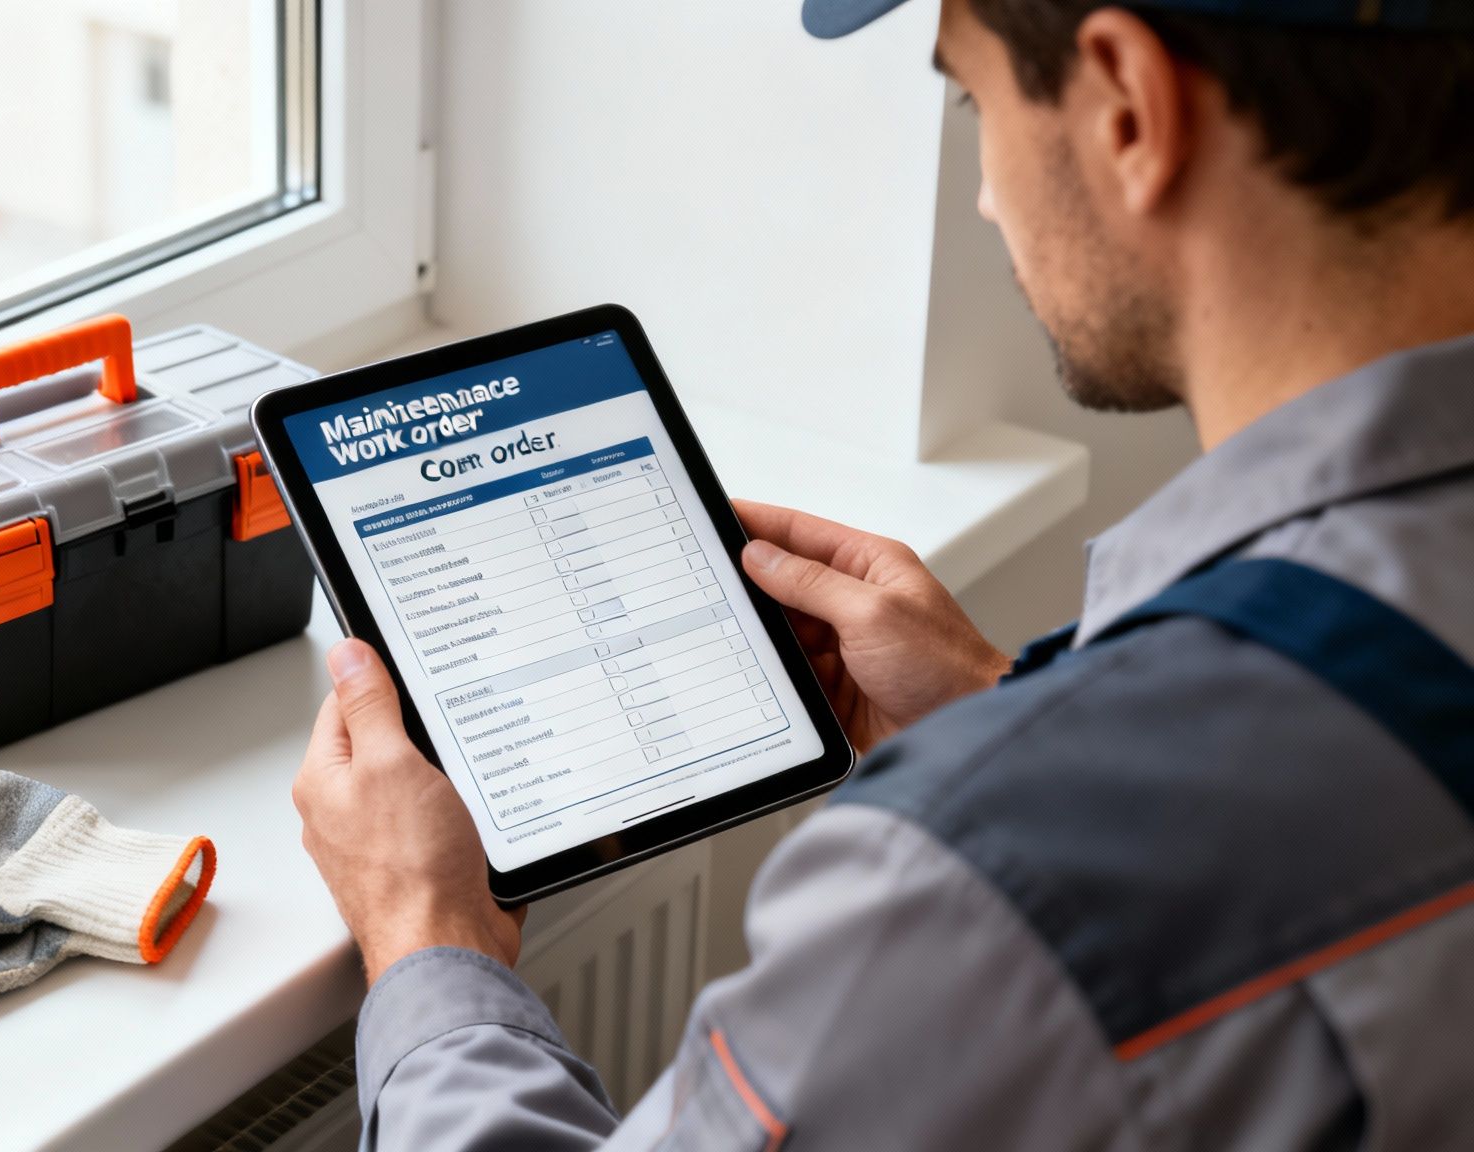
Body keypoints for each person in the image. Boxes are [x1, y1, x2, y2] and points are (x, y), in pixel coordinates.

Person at [291, 0, 1474, 1146]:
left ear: (1125, 105)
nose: (982, 194)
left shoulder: (982, 883)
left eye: (970, 97)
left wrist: (423, 937)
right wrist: (1000, 699)